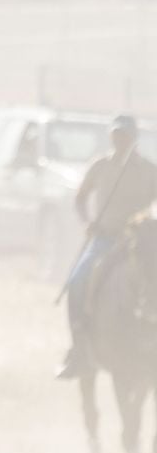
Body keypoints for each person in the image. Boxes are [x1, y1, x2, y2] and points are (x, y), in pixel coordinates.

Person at [59, 114, 157, 379]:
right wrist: (87, 222)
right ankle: (79, 347)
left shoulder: (149, 170)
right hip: (103, 239)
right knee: (78, 281)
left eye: (125, 135)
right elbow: (80, 198)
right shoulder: (100, 166)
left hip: (138, 242)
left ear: (134, 138)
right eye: (116, 135)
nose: (120, 140)